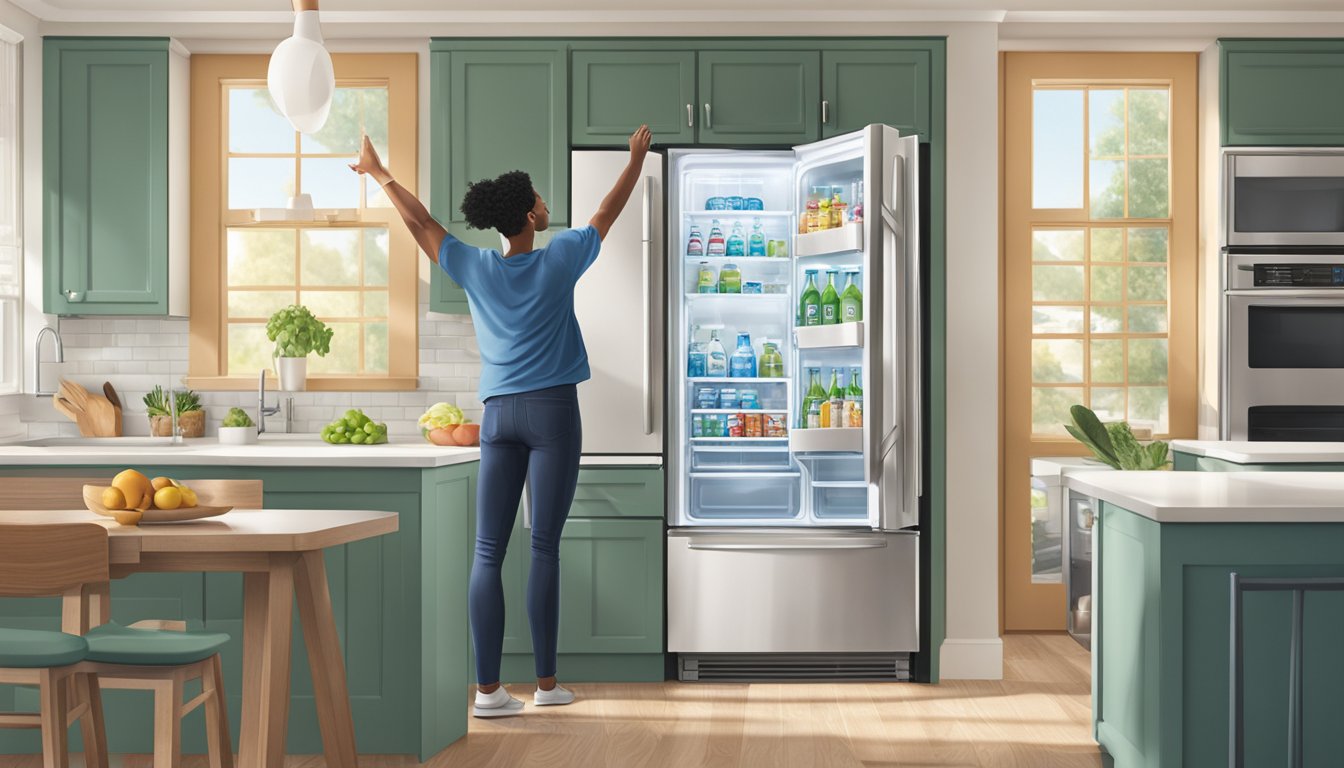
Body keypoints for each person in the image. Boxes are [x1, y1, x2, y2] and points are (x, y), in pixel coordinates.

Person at [350, 125, 653, 717]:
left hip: (497, 416)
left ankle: (487, 694)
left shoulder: (477, 268)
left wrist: (381, 174)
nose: (546, 206)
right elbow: (607, 211)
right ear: (528, 214)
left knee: (488, 552)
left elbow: (422, 224)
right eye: (539, 200)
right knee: (543, 548)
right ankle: (545, 686)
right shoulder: (562, 256)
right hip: (552, 413)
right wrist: (636, 161)